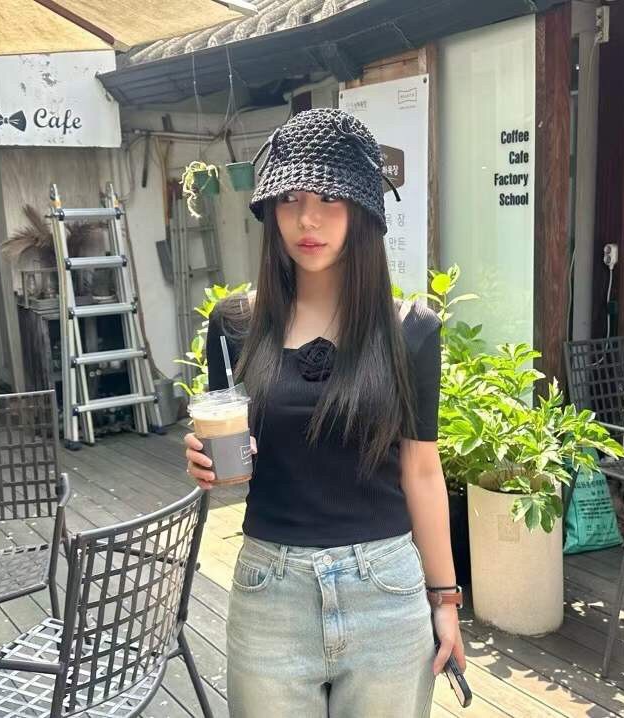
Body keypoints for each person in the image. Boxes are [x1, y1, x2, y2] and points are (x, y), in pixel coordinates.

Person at [184, 107, 465, 718]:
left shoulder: (410, 331)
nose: (307, 219)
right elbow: (233, 449)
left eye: (329, 199)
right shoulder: (235, 326)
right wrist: (207, 463)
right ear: (270, 211)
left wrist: (444, 598)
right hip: (270, 592)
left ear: (363, 211)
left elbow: (422, 470)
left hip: (387, 590)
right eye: (290, 199)